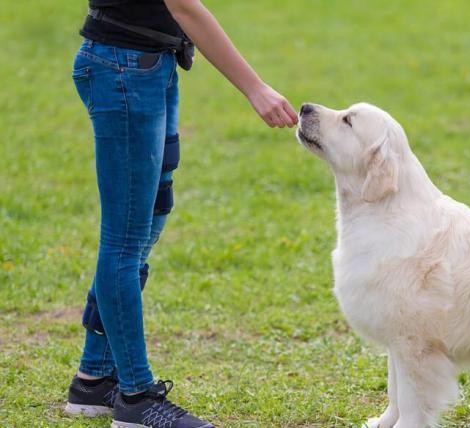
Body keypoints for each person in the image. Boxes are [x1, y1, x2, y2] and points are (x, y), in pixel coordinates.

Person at [64, 1, 298, 426]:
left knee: (150, 215)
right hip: (123, 71)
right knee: (125, 241)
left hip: (151, 66)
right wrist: (255, 88)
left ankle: (94, 379)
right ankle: (135, 397)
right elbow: (186, 7)